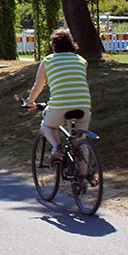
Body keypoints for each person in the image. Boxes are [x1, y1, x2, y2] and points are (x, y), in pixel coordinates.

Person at [26, 28, 92, 162]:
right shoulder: (81, 60)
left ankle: (57, 148)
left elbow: (38, 87)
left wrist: (30, 101)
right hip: (83, 104)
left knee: (47, 126)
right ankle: (84, 177)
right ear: (72, 44)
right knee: (79, 142)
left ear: (53, 45)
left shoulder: (48, 61)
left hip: (60, 105)